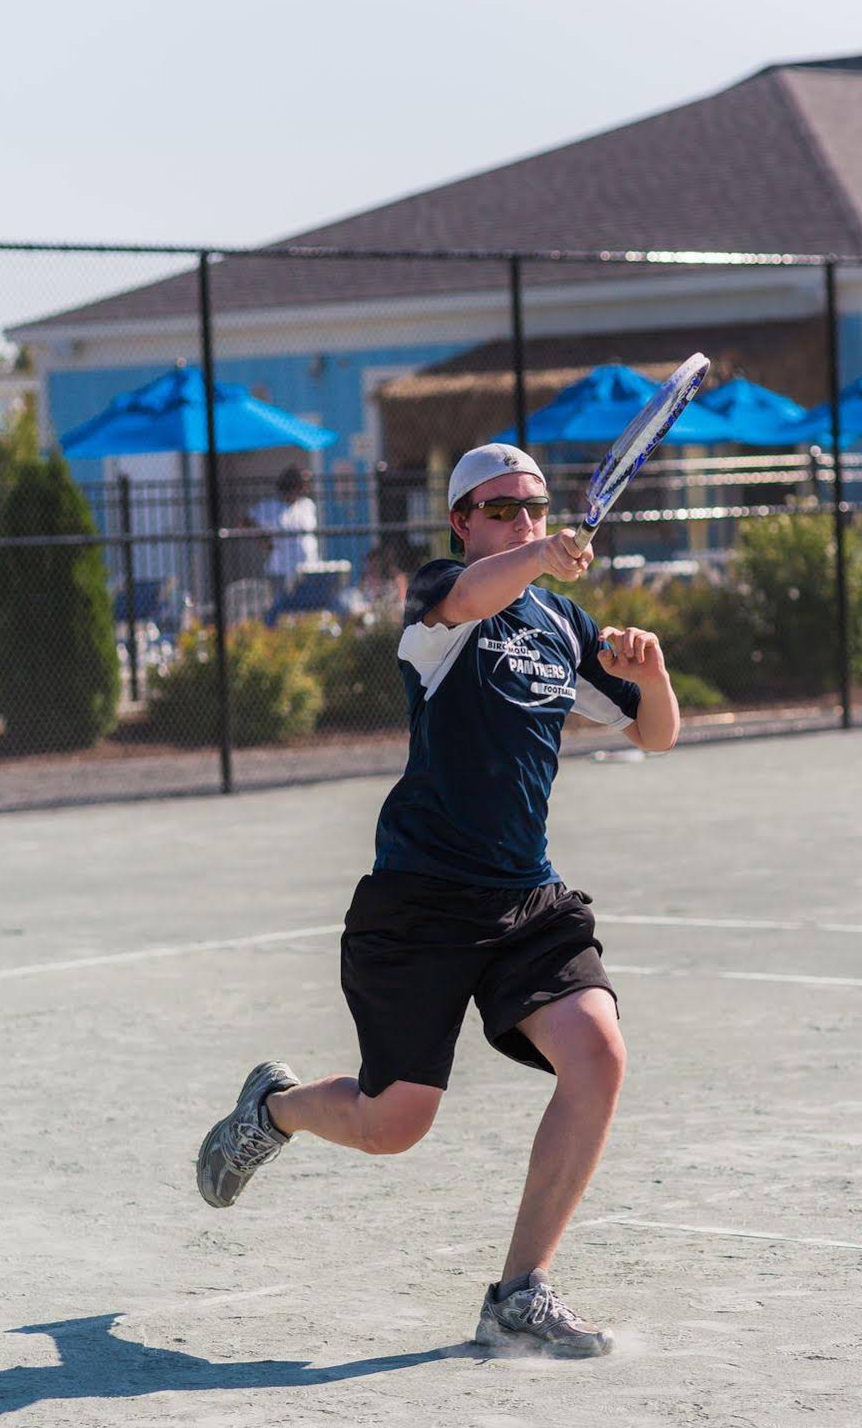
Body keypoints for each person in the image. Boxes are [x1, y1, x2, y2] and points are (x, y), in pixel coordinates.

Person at [197, 442, 681, 1356]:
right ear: (462, 522)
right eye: (499, 510)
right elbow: (473, 594)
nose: (522, 521)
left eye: (533, 507)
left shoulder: (563, 625)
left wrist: (650, 672)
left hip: (526, 900)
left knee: (599, 1054)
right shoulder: (441, 602)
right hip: (419, 902)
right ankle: (277, 1108)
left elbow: (655, 735)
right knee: (394, 1125)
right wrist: (532, 559)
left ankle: (519, 1292)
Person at [250, 465, 319, 623]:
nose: (306, 488)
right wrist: (264, 542)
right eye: (303, 484)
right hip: (281, 571)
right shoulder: (270, 506)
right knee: (280, 610)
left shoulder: (307, 505)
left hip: (307, 569)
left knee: (304, 611)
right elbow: (245, 522)